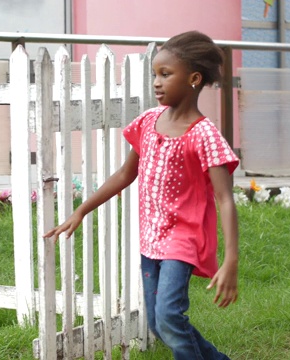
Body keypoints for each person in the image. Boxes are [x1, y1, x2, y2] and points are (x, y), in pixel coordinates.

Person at [44, 30, 239, 360]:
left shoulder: (205, 135)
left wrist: (231, 258)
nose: (157, 83)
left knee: (169, 316)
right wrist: (82, 210)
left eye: (166, 74)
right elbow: (124, 174)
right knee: (158, 324)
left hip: (183, 240)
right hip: (151, 238)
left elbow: (225, 198)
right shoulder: (148, 122)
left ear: (193, 78)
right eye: (155, 75)